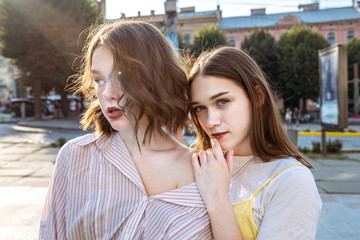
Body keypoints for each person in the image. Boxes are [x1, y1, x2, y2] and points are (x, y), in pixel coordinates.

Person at [39, 21, 213, 239]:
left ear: (156, 77)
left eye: (122, 76)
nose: (108, 93)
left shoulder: (203, 169)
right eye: (99, 80)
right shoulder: (75, 156)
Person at [187, 47, 321, 240]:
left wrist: (218, 200)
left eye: (222, 101)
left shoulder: (291, 180)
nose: (210, 121)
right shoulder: (199, 165)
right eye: (200, 108)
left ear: (257, 97)